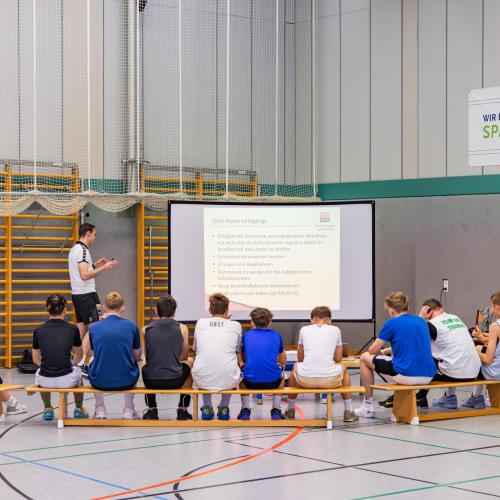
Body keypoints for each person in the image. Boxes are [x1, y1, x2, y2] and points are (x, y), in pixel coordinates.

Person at [355, 291, 436, 418]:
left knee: (364, 357)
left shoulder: (391, 323)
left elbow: (371, 351)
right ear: (407, 307)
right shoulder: (421, 322)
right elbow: (407, 343)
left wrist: (379, 352)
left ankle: (367, 407)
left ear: (391, 310)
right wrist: (384, 352)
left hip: (406, 375)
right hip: (428, 376)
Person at [285, 306, 359, 422]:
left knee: (296, 366)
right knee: (343, 368)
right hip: (330, 381)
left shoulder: (304, 330)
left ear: (311, 320)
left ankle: (290, 409)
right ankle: (348, 411)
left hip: (305, 380)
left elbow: (300, 358)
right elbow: (338, 359)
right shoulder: (336, 330)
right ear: (330, 320)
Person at [68, 223, 118, 375]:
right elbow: (84, 275)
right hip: (87, 295)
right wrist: (105, 267)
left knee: (81, 329)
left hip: (78, 295)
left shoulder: (75, 249)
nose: (95, 238)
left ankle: (75, 361)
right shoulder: (82, 250)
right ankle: (82, 362)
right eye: (94, 234)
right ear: (88, 233)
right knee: (96, 328)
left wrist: (95, 265)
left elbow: (82, 271)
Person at [414, 298, 480, 408]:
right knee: (447, 356)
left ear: (428, 312)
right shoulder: (455, 317)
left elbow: (412, 338)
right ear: (441, 308)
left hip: (454, 373)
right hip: (474, 371)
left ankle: (420, 396)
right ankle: (447, 397)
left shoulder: (431, 324)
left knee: (422, 361)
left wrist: (421, 318)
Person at [85, 292, 141, 419]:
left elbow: (94, 354)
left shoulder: (94, 327)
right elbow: (137, 356)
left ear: (105, 308)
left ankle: (100, 409)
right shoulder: (132, 326)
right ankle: (128, 410)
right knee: (133, 362)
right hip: (127, 380)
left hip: (99, 381)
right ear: (123, 308)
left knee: (93, 359)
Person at [31, 294, 88, 420]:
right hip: (67, 379)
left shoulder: (38, 330)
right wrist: (70, 364)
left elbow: (35, 360)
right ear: (65, 309)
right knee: (78, 373)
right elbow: (79, 356)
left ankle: (47, 408)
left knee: (40, 371)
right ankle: (79, 409)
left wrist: (48, 366)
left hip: (45, 381)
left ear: (47, 309)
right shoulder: (72, 329)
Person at [142, 295, 193, 421]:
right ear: (174, 312)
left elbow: (148, 356)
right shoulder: (182, 328)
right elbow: (185, 356)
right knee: (190, 361)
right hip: (175, 380)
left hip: (151, 381)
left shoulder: (146, 329)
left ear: (156, 311)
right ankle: (182, 409)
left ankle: (152, 409)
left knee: (144, 363)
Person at [191, 293, 242, 420]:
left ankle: (207, 407)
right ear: (227, 310)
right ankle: (224, 408)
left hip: (202, 378)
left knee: (203, 362)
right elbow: (237, 350)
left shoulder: (201, 323)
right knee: (231, 362)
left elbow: (195, 348)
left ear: (210, 309)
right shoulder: (236, 325)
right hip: (229, 378)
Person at [238, 308, 286, 421]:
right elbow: (282, 358)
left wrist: (246, 364)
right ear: (270, 322)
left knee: (241, 377)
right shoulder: (276, 335)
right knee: (282, 375)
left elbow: (244, 356)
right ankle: (276, 409)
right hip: (273, 382)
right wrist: (279, 367)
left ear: (252, 322)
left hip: (250, 382)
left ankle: (245, 409)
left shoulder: (247, 335)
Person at [463, 291, 500, 409]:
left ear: (497, 306)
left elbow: (488, 359)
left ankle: (475, 397)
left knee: (475, 354)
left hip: (496, 373)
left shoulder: (495, 326)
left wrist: (475, 351)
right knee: (481, 348)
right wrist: (480, 336)